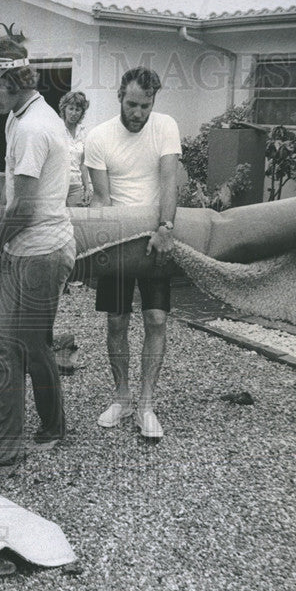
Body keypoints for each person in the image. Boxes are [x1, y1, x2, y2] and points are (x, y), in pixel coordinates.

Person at [0, 36, 75, 469]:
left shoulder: (32, 126)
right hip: (29, 247)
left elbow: (24, 207)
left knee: (19, 346)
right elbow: (16, 196)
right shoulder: (19, 117)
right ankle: (31, 434)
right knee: (19, 344)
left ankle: (25, 436)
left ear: (13, 78)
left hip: (41, 251)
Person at [84, 67, 180, 439]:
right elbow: (102, 198)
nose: (138, 113)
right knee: (116, 321)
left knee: (156, 318)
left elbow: (169, 180)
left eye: (145, 105)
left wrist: (165, 227)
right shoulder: (99, 137)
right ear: (119, 97)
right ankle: (122, 396)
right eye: (131, 104)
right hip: (119, 240)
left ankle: (146, 404)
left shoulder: (166, 126)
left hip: (156, 235)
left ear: (153, 101)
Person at [59, 90, 91, 207]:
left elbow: (83, 164)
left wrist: (87, 188)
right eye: (71, 108)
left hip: (76, 186)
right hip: (58, 185)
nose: (74, 113)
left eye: (78, 110)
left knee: (75, 220)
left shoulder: (83, 132)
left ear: (82, 112)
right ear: (64, 109)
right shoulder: (56, 129)